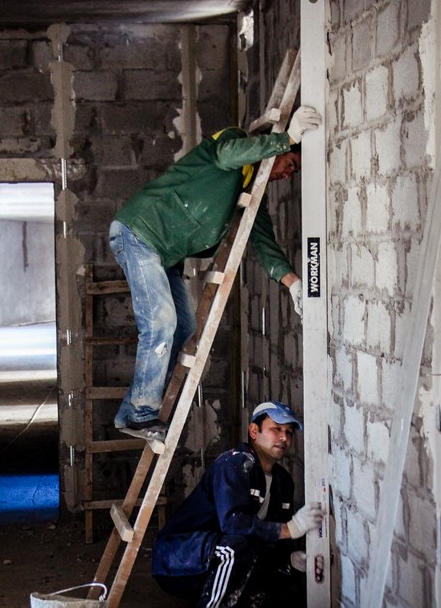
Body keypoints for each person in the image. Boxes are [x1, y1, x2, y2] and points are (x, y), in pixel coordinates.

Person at [109, 106, 322, 442]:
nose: (287, 173)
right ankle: (141, 413)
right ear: (277, 148)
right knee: (161, 324)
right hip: (141, 234)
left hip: (165, 252)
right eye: (290, 164)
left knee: (185, 327)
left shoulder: (250, 186)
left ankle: (130, 412)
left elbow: (262, 239)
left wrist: (292, 283)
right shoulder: (234, 144)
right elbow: (228, 154)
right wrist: (289, 138)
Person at [151, 400, 323, 607]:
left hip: (218, 557)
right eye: (276, 429)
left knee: (280, 576)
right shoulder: (234, 463)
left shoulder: (283, 481)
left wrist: (292, 558)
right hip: (179, 557)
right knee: (238, 546)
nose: (283, 437)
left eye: (289, 432)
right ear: (253, 431)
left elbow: (275, 536)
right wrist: (290, 528)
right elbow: (233, 523)